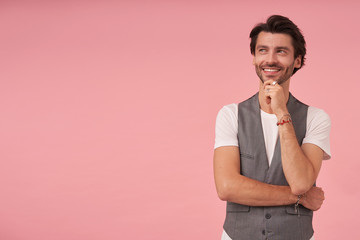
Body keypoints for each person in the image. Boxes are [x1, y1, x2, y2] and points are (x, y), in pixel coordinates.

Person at [213, 15, 331, 240]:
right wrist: (301, 198)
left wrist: (282, 113)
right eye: (263, 50)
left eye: (281, 51)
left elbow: (301, 182)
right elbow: (227, 187)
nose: (270, 59)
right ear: (254, 58)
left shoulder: (316, 118)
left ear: (297, 60)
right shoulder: (230, 115)